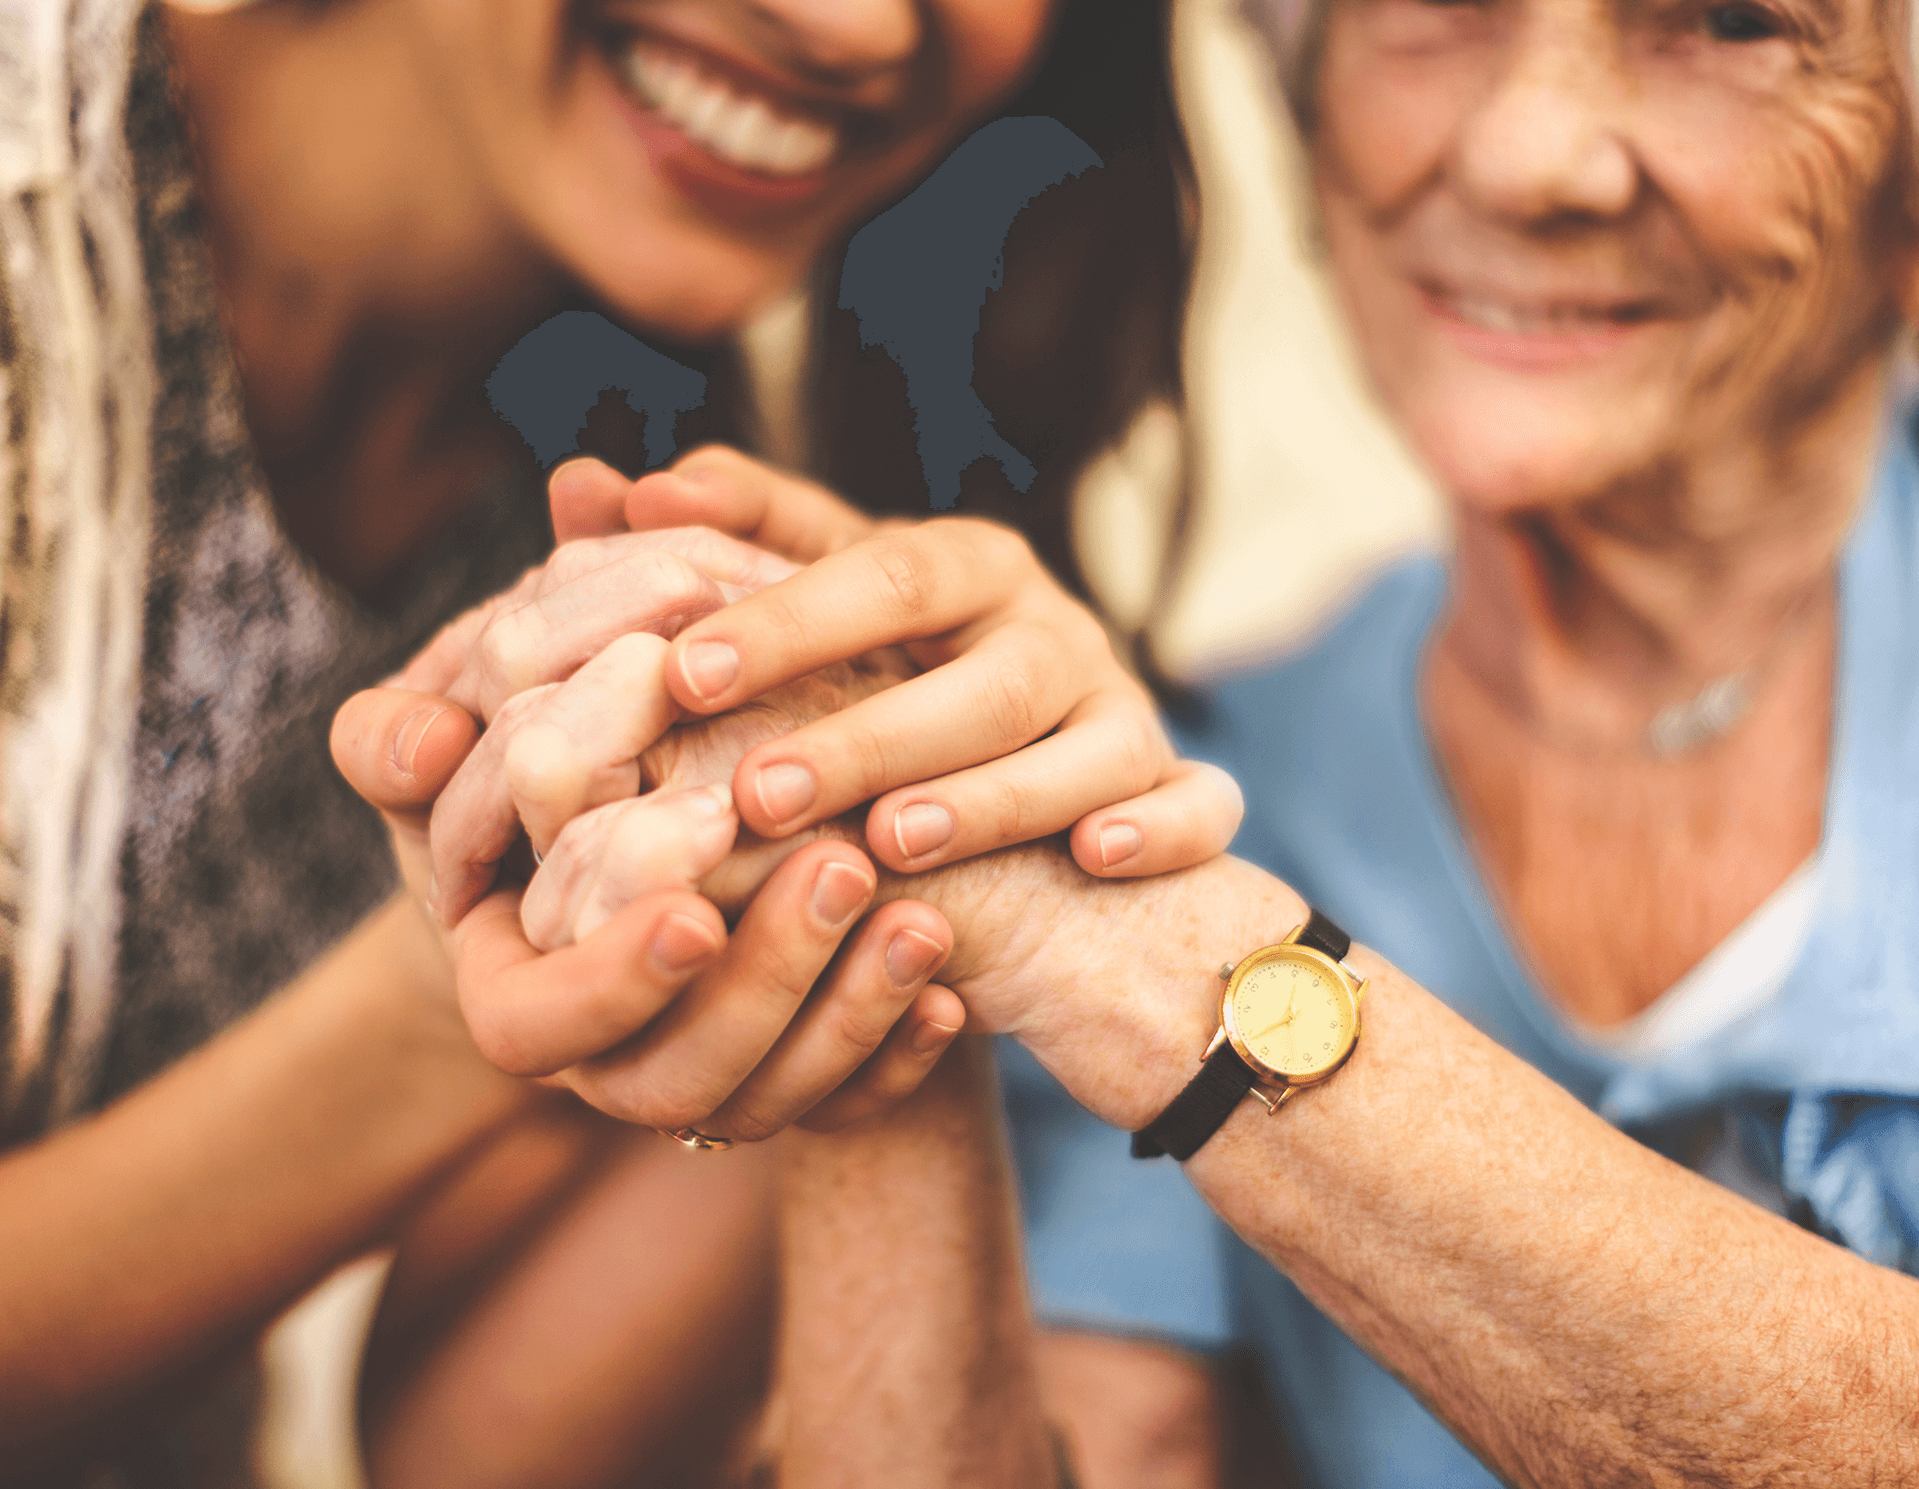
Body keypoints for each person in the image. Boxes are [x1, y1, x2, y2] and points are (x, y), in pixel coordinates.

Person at [352, 0, 1919, 1476]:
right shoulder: (1192, 781)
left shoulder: (1152, 869)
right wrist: (874, 883)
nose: (1524, 155)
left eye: (1731, 18)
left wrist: (1136, 961)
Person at [0, 0, 1241, 1481]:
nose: (847, 27)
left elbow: (486, 1456)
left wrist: (874, 890)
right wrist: (444, 985)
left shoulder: (652, 474)